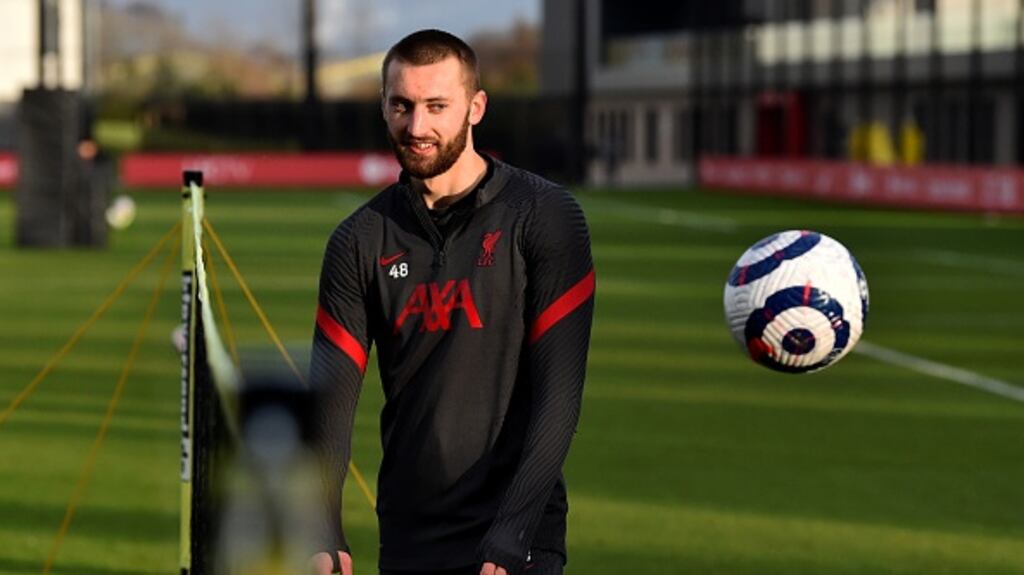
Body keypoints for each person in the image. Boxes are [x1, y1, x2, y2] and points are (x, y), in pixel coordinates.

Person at [308, 29, 595, 575]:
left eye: (437, 106)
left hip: (516, 538)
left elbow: (560, 396)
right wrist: (322, 532)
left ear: (476, 107)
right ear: (384, 107)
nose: (417, 127)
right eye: (402, 105)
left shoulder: (545, 215)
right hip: (409, 537)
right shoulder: (357, 241)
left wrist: (510, 537)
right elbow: (329, 402)